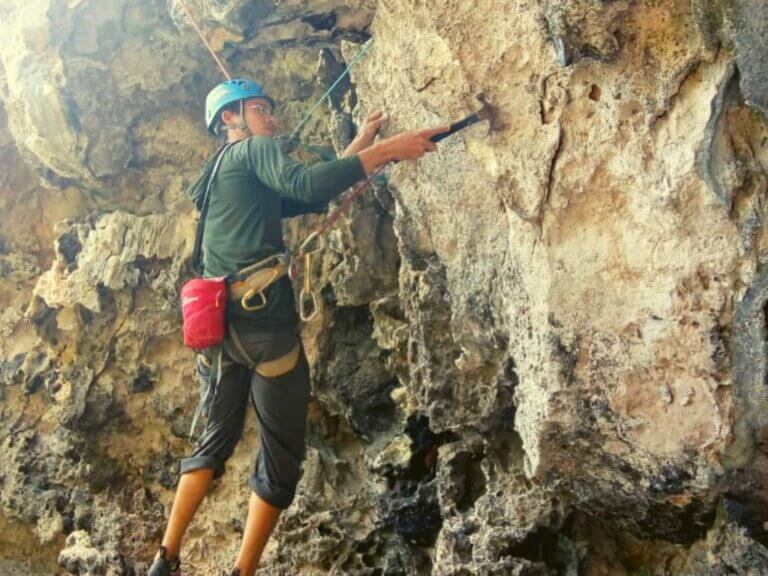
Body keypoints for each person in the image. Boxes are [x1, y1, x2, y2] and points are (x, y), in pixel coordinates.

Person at [148, 79, 447, 576]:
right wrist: (393, 149)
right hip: (264, 325)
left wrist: (362, 147)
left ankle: (165, 558)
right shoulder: (254, 149)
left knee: (211, 443)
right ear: (231, 118)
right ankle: (243, 571)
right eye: (262, 109)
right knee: (280, 454)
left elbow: (305, 196)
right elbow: (308, 185)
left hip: (219, 330)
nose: (272, 119)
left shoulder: (222, 172)